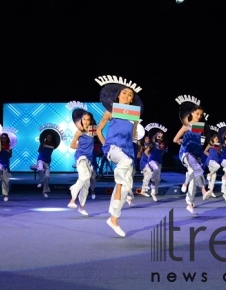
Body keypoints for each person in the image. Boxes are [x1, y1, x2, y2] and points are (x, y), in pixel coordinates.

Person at [95, 75, 144, 237]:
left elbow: (134, 134)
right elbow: (98, 130)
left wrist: (138, 148)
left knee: (123, 189)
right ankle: (119, 178)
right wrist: (104, 145)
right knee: (124, 165)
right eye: (124, 93)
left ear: (131, 100)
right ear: (118, 96)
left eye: (130, 95)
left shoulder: (134, 115)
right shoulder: (111, 111)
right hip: (113, 148)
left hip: (128, 150)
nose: (127, 96)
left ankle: (113, 219)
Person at [172, 97, 212, 215]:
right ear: (192, 113)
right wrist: (180, 141)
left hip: (195, 155)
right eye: (197, 114)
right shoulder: (187, 125)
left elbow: (200, 142)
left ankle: (190, 204)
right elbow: (175, 139)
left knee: (193, 179)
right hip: (185, 153)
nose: (199, 116)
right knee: (197, 169)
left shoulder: (200, 127)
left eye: (201, 115)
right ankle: (204, 190)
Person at [67, 109, 95, 215]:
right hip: (81, 157)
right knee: (85, 176)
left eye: (88, 119)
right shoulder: (80, 131)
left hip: (89, 160)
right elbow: (72, 145)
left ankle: (82, 207)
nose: (86, 121)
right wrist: (79, 146)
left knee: (86, 183)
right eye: (84, 119)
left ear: (91, 120)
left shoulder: (93, 130)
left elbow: (101, 131)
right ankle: (72, 199)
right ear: (81, 120)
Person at [141, 123, 167, 202]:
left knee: (158, 179)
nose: (160, 138)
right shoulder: (153, 144)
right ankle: (148, 184)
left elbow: (162, 152)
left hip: (159, 161)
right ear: (156, 136)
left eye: (161, 137)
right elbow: (146, 151)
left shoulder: (163, 144)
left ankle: (153, 192)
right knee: (154, 169)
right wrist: (149, 157)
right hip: (152, 160)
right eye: (159, 137)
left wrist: (160, 157)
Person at [0, 129, 16, 202]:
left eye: (5, 138)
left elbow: (10, 155)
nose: (3, 139)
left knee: (6, 181)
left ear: (7, 139)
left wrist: (7, 152)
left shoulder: (9, 146)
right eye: (2, 138)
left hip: (6, 164)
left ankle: (6, 195)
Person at [203, 128, 221, 198]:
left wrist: (219, 149)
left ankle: (211, 191)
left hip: (216, 160)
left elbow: (219, 154)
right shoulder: (210, 145)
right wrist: (209, 155)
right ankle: (209, 174)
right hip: (210, 161)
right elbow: (205, 151)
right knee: (218, 166)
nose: (217, 140)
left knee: (213, 177)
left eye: (217, 139)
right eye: (216, 139)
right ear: (213, 139)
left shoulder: (218, 146)